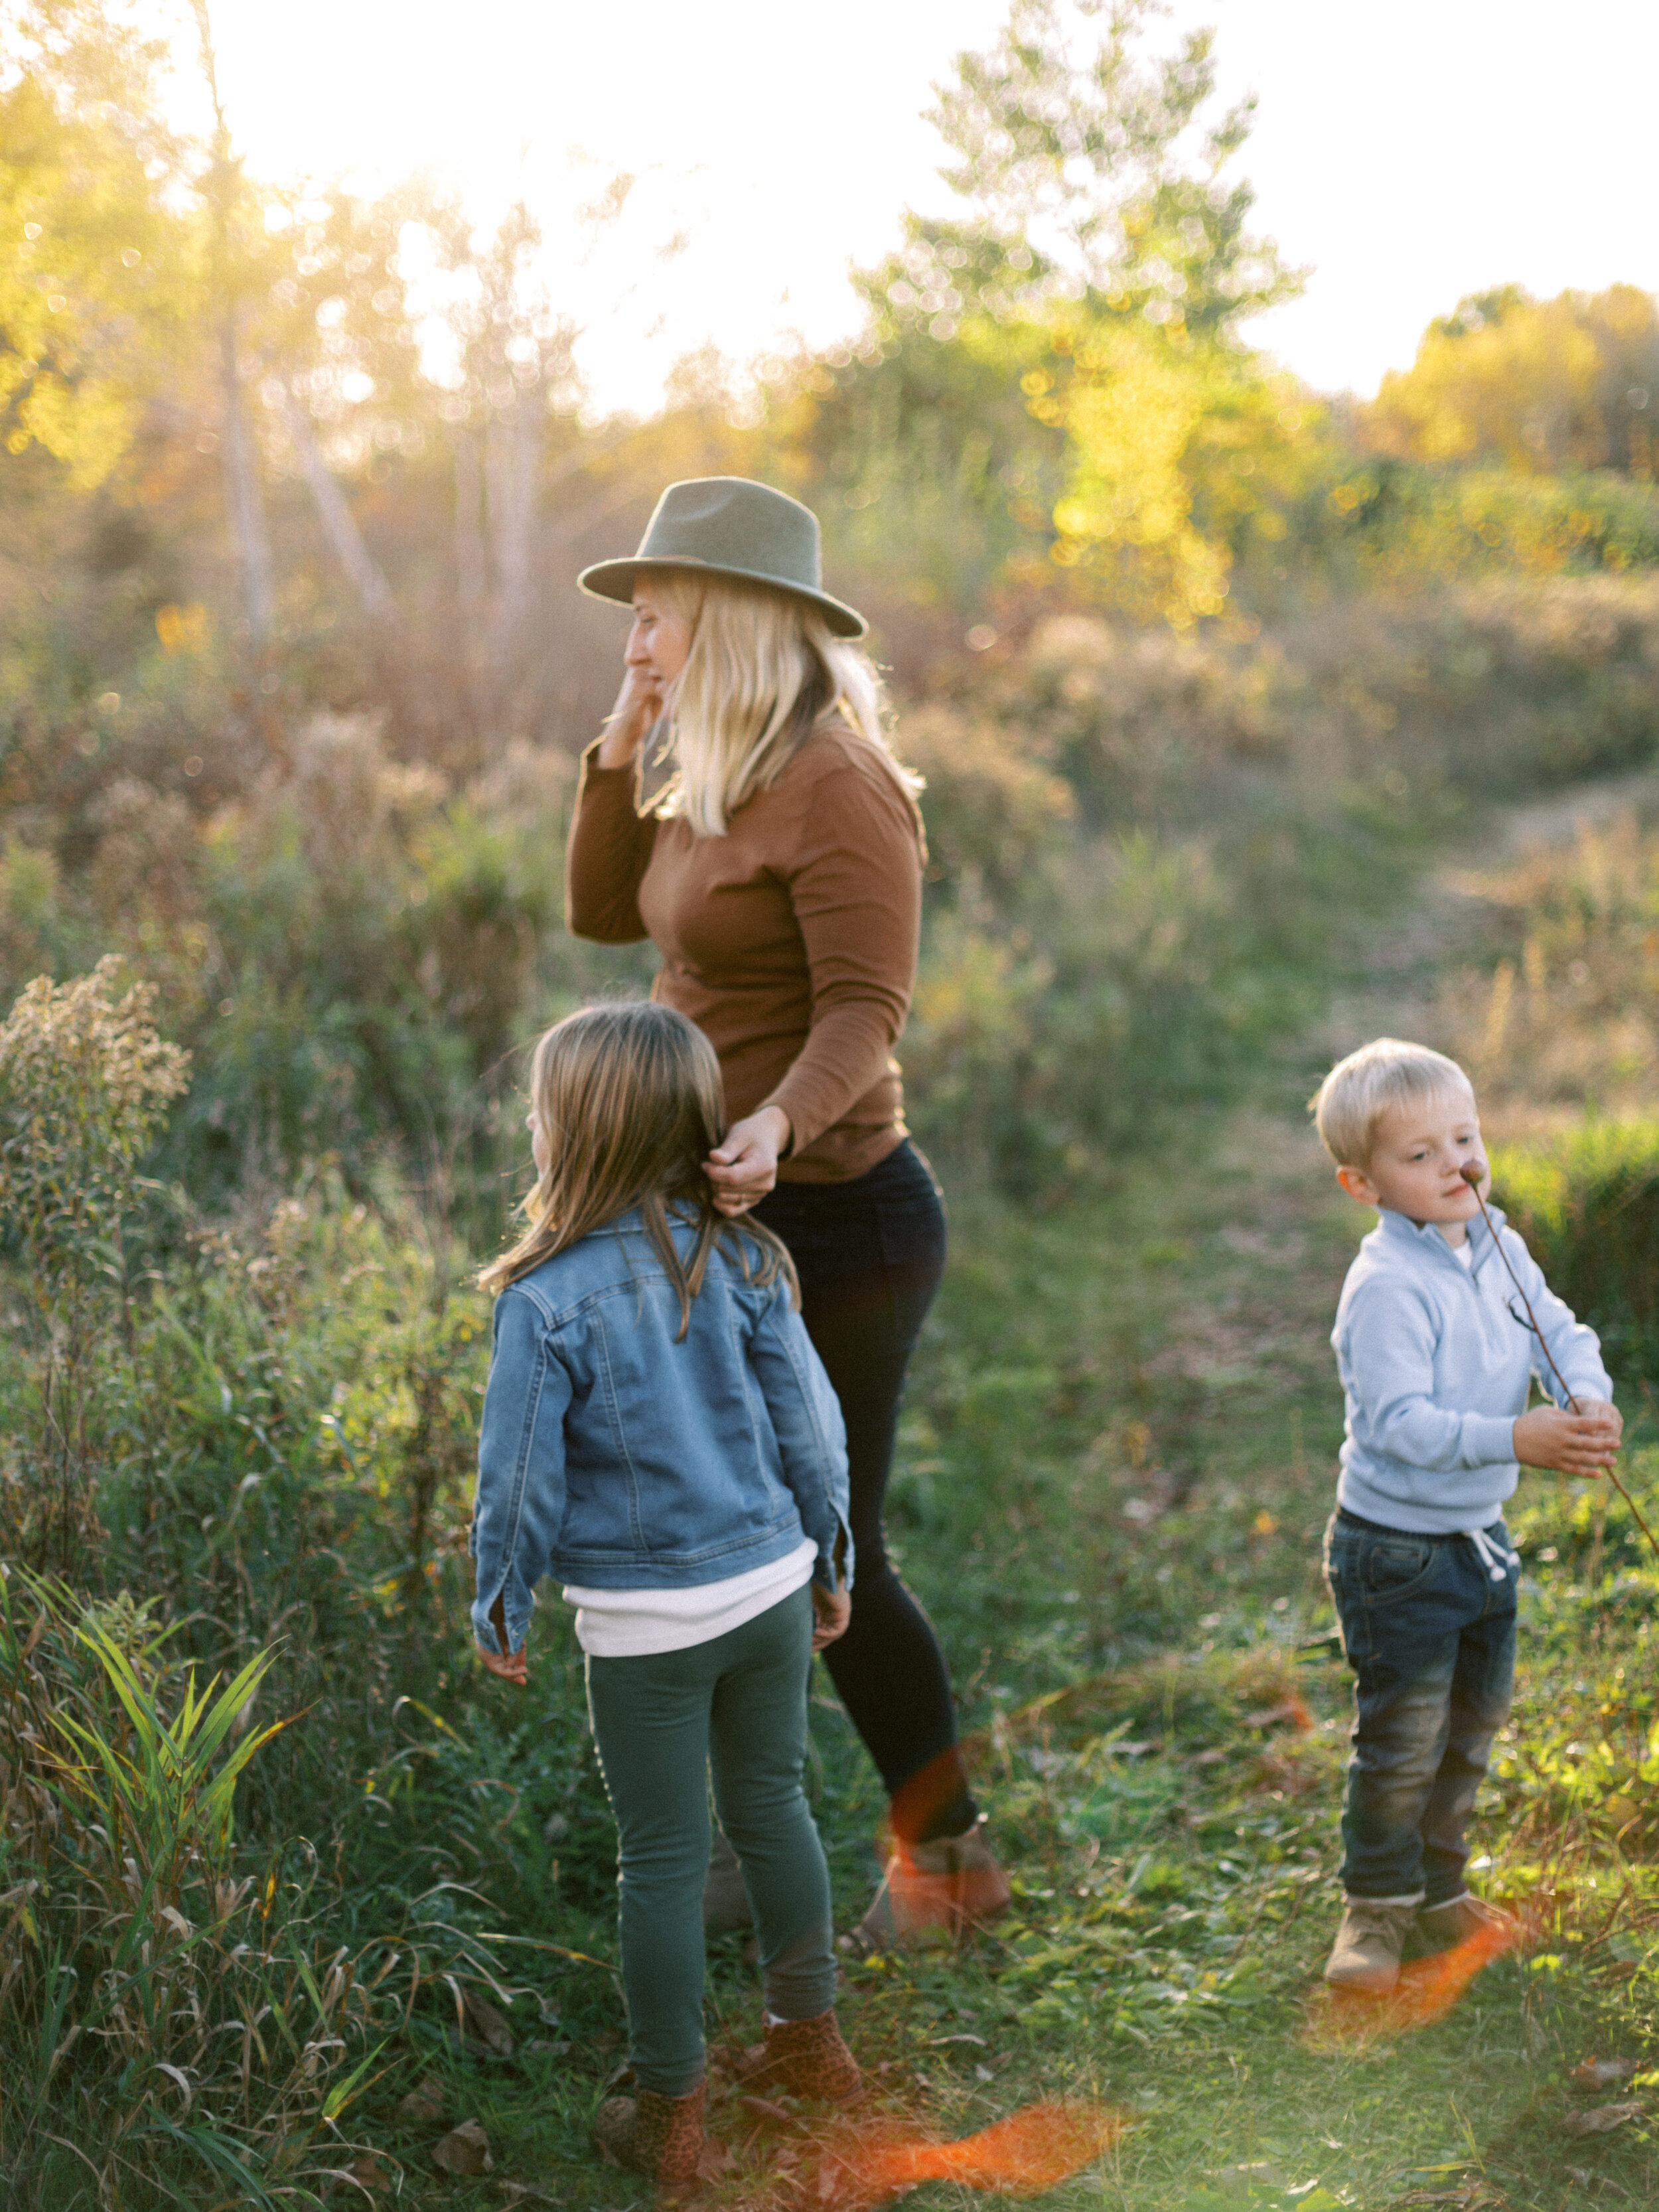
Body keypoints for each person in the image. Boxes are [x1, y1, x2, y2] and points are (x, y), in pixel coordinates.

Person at [565, 475, 1010, 1950]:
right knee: (709, 1545)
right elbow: (604, 915)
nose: (635, 636)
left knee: (828, 1554)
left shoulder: (837, 780)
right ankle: (737, 1863)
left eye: (651, 613)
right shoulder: (702, 755)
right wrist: (619, 739)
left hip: (836, 1215)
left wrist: (772, 1120)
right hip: (707, 1218)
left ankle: (944, 1860)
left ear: (728, 615)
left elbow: (864, 1007)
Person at [470, 1001, 864, 2192]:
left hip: (647, 1624)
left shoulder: (546, 1298)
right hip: (769, 1589)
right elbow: (813, 1426)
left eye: (541, 1113)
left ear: (573, 1134)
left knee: (660, 1856)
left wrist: (502, 1600)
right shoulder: (744, 1256)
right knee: (776, 1804)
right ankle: (809, 2038)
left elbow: (520, 1473)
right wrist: (831, 1555)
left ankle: (669, 2107)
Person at [1311, 1037, 1621, 1994]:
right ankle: (1375, 1908)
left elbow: (1555, 1324)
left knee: (1471, 1724)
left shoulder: (1494, 1240)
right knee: (1402, 1736)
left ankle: (1439, 1892)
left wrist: (1587, 1392)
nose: (1459, 1164)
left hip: (1476, 1537)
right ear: (1363, 1183)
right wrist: (1514, 1437)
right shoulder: (1386, 1289)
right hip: (1394, 1550)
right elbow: (1401, 1426)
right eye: (1423, 1153)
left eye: (1466, 1136)